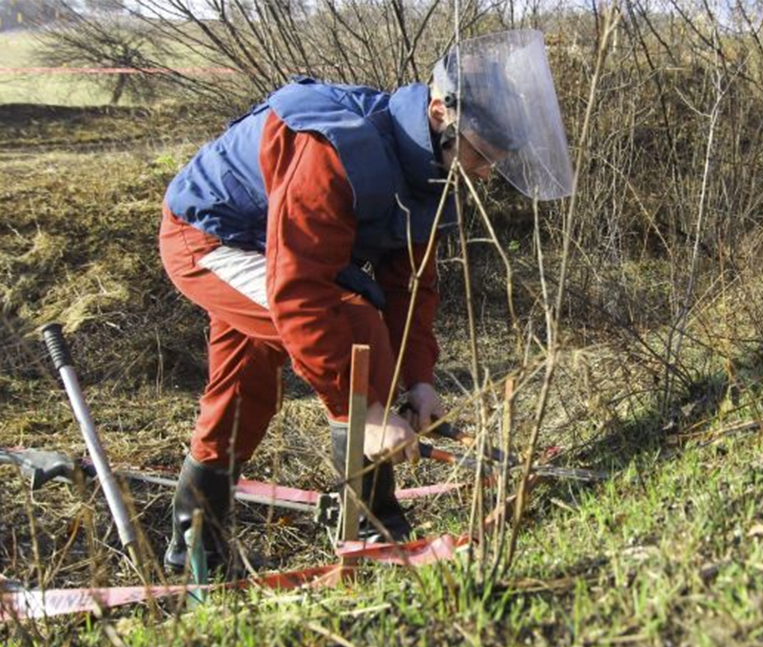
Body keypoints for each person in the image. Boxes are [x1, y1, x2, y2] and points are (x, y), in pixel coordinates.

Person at [158, 28, 574, 573]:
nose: (484, 172)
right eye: (481, 154)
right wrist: (368, 414)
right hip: (208, 237)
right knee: (351, 319)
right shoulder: (332, 149)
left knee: (244, 387)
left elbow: (412, 282)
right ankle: (377, 528)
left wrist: (418, 380)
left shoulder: (428, 170)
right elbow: (301, 291)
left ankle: (193, 550)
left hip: (272, 245)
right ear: (440, 113)